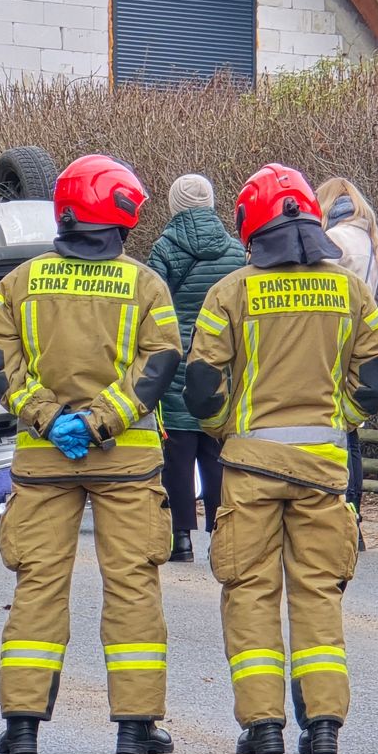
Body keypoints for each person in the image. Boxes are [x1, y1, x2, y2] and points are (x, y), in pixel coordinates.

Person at [184, 164, 378, 754]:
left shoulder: (231, 291)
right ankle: (323, 724)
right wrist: (344, 420)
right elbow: (376, 369)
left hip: (250, 470)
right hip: (324, 472)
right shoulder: (348, 288)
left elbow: (201, 384)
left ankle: (263, 727)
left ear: (251, 226)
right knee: (317, 594)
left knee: (250, 592)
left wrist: (226, 431)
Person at [0, 154, 183, 754]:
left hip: (43, 460)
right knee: (132, 585)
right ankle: (136, 727)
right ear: (116, 214)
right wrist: (103, 421)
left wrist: (49, 416)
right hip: (127, 459)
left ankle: (20, 725)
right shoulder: (145, 284)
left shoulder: (20, 281)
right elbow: (161, 361)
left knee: (39, 583)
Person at [146, 174, 246, 562]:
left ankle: (181, 537)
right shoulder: (235, 252)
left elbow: (153, 305)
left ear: (174, 206)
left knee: (177, 454)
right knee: (215, 450)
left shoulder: (164, 249)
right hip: (220, 361)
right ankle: (222, 534)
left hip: (176, 361)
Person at [316, 178, 378, 549]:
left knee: (339, 432)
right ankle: (353, 513)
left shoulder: (339, 240)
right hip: (359, 339)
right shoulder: (370, 241)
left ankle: (343, 510)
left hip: (336, 339)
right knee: (351, 428)